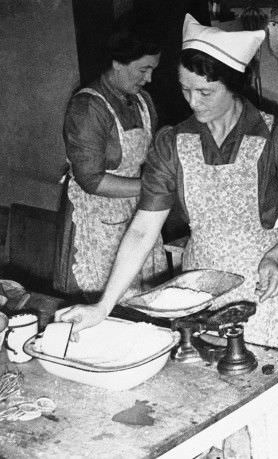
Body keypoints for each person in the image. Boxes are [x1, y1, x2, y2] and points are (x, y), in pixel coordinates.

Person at [58, 14, 278, 459]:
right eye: (186, 89)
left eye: (205, 92)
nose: (193, 101)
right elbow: (141, 229)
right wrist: (103, 306)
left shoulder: (277, 134)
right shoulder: (172, 143)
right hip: (201, 287)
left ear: (236, 84)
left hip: (267, 285)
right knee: (216, 410)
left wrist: (277, 254)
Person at [54, 14, 168, 300]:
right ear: (118, 62)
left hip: (138, 213)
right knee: (111, 303)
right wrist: (150, 188)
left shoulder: (143, 101)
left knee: (145, 297)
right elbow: (91, 181)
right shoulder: (88, 107)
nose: (149, 78)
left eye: (152, 69)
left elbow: (152, 153)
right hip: (101, 223)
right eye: (143, 70)